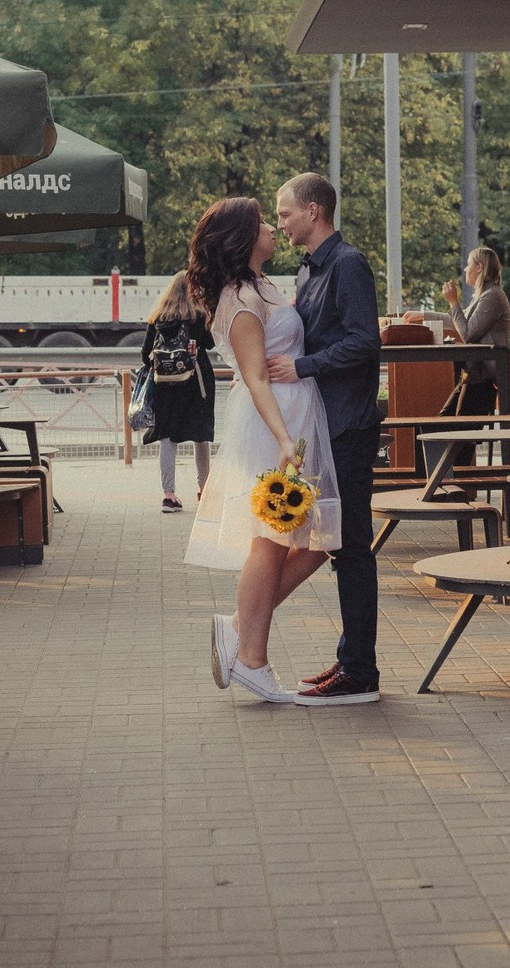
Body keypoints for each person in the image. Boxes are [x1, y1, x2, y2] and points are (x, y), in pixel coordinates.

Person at [183, 198, 342, 703]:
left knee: (312, 541)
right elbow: (253, 376)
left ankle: (238, 628)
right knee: (273, 541)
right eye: (265, 222)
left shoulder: (261, 286)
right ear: (246, 236)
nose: (275, 227)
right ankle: (252, 658)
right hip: (271, 424)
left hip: (293, 416)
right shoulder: (238, 297)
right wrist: (282, 439)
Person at [270, 172, 384, 705]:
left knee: (353, 549)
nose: (280, 221)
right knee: (339, 547)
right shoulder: (312, 268)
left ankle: (359, 672)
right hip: (327, 427)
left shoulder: (347, 264)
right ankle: (351, 662)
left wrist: (303, 367)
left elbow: (366, 342)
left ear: (314, 211)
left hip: (350, 428)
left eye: (286, 212)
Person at [403, 245, 510, 417]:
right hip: (474, 373)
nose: (465, 269)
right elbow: (459, 320)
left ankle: (460, 443)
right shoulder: (484, 295)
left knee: (458, 428)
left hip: (485, 378)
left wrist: (453, 302)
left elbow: (467, 334)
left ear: (479, 267)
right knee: (443, 422)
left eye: (469, 264)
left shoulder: (492, 296)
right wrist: (422, 315)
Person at [140, 274, 214, 513]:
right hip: (196, 384)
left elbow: (144, 355)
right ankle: (204, 490)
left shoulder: (157, 319)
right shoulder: (198, 316)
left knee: (168, 438)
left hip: (165, 387)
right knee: (200, 436)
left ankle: (169, 496)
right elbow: (211, 344)